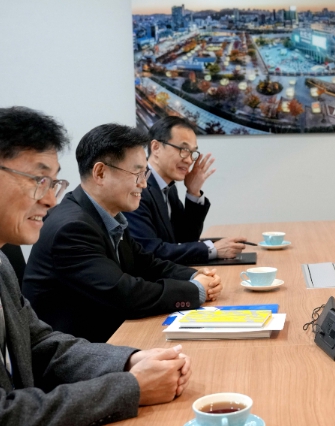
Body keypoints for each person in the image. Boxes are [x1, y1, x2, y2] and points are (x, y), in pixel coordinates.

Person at [0, 106, 192, 424]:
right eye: (38, 179)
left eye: (53, 182)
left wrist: (130, 360)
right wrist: (130, 387)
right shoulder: (71, 225)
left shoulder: (2, 264)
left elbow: (41, 344)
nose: (50, 199)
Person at [22, 123, 222, 343]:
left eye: (144, 173)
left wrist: (195, 276)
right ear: (100, 173)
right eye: (137, 173)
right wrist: (194, 291)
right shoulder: (72, 228)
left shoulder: (106, 215)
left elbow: (147, 263)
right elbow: (125, 294)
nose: (144, 184)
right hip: (76, 352)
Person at [123, 116, 246, 264]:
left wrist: (193, 193)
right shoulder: (137, 188)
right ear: (156, 148)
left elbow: (185, 239)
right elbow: (150, 251)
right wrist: (211, 249)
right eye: (183, 150)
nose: (188, 160)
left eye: (192, 152)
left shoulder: (168, 188)